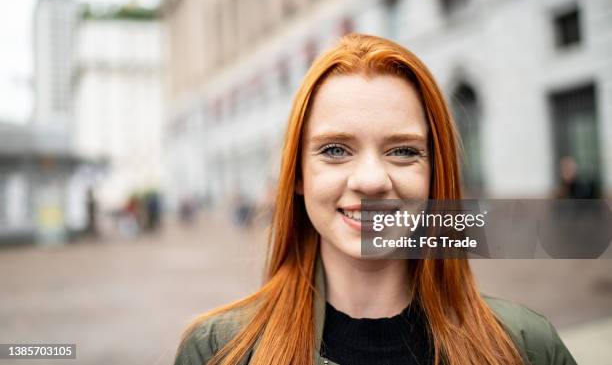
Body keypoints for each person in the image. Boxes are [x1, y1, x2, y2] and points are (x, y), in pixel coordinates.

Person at [174, 34, 576, 365]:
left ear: (437, 174)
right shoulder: (218, 351)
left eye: (403, 151)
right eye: (335, 150)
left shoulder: (527, 347)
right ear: (298, 175)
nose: (370, 181)